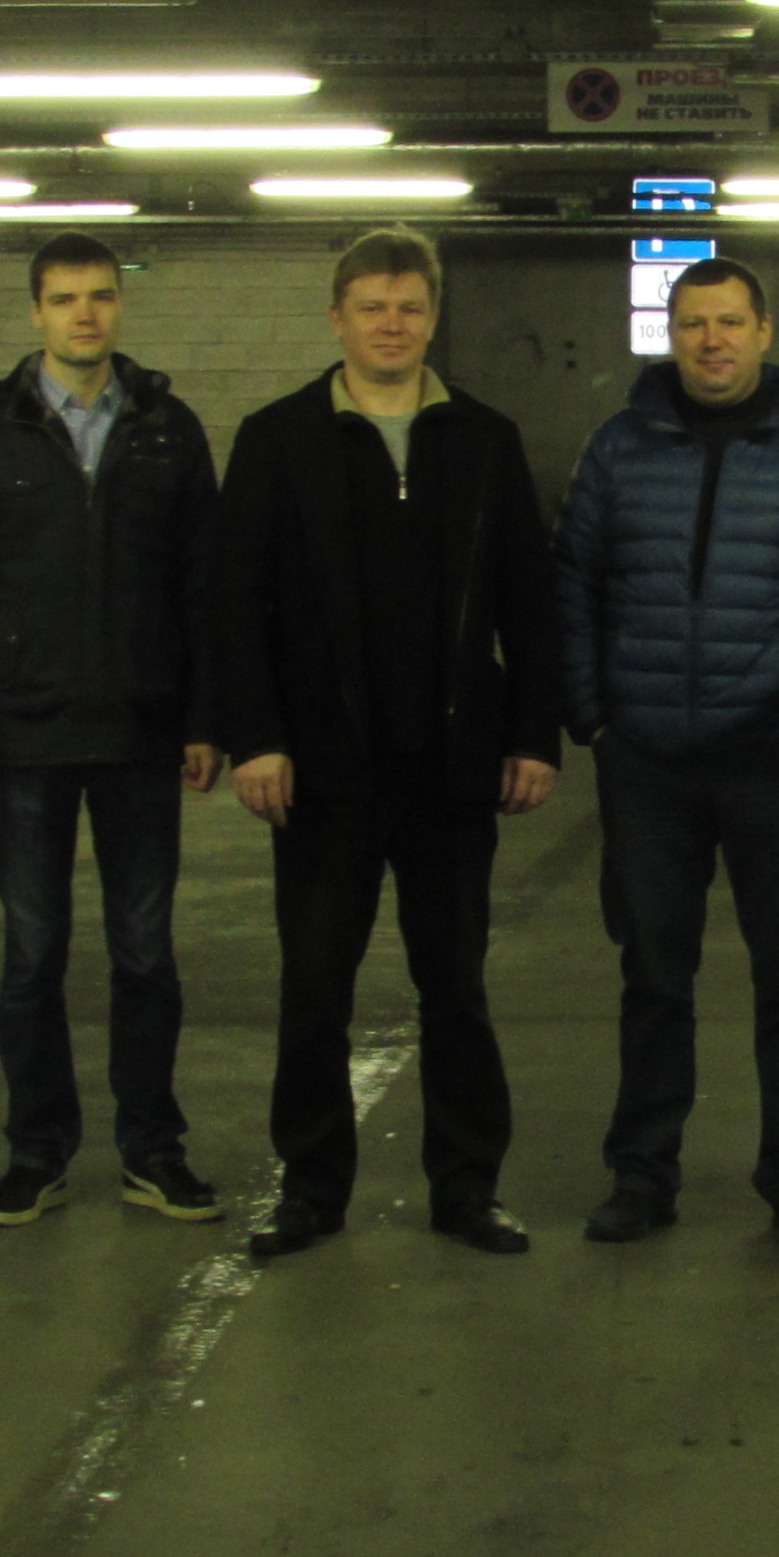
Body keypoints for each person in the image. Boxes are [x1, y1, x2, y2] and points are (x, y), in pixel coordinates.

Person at [205, 228, 561, 1261]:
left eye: (409, 308)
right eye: (372, 308)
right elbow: (233, 604)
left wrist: (531, 734)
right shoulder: (276, 439)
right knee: (315, 988)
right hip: (321, 773)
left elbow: (528, 601)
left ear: (433, 318)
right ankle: (311, 1191)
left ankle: (467, 1189)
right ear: (337, 318)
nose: (391, 326)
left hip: (451, 768)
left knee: (456, 988)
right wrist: (255, 739)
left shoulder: (483, 439)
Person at [553, 257, 779, 1251]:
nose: (711, 341)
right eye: (693, 323)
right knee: (654, 974)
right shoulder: (618, 449)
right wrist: (593, 719)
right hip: (647, 760)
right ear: (671, 334)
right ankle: (642, 1174)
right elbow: (574, 582)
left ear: (764, 330)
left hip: (777, 758)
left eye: (730, 321)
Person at [0, 230, 228, 1228]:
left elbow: (202, 585)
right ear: (36, 312)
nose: (85, 314)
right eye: (64, 298)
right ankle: (36, 1152)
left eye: (100, 295)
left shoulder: (168, 428)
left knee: (145, 956)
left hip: (142, 733)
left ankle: (152, 1150)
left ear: (119, 306)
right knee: (31, 957)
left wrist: (204, 716)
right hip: (24, 738)